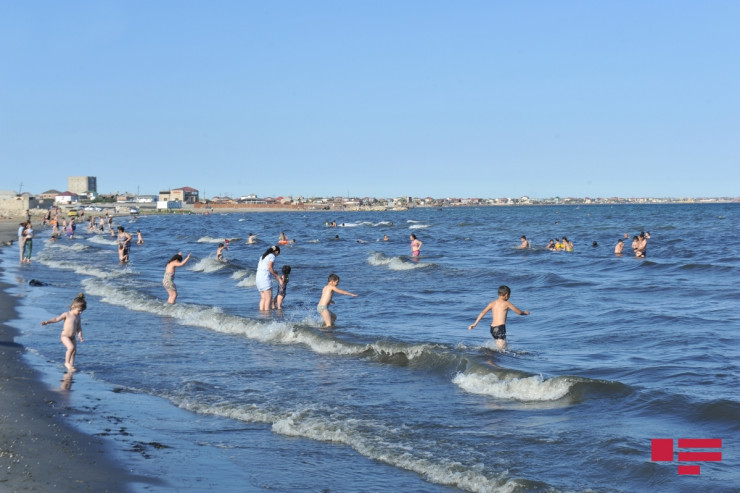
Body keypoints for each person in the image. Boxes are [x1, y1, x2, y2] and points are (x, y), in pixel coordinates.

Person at [467, 285, 530, 350]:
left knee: (503, 346)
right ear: (506, 295)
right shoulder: (507, 303)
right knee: (502, 349)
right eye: (509, 295)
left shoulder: (492, 303)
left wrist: (475, 324)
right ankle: (489, 358)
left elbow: (482, 312)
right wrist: (525, 313)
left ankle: (492, 358)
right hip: (500, 328)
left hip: (492, 329)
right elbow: (519, 312)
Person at [40, 293, 86, 372]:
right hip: (65, 336)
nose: (80, 312)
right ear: (73, 307)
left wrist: (80, 335)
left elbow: (79, 327)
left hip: (72, 337)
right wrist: (47, 322)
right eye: (79, 310)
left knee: (74, 351)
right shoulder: (67, 314)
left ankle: (71, 365)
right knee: (70, 348)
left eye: (82, 311)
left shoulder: (78, 317)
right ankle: (66, 363)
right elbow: (56, 319)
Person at [256, 246, 282, 311]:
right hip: (264, 278)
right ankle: (267, 315)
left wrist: (274, 272)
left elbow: (265, 268)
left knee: (263, 298)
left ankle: (262, 314)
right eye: (278, 254)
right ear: (277, 252)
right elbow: (269, 267)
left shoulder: (263, 256)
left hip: (258, 277)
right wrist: (277, 276)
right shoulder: (272, 256)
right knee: (268, 299)